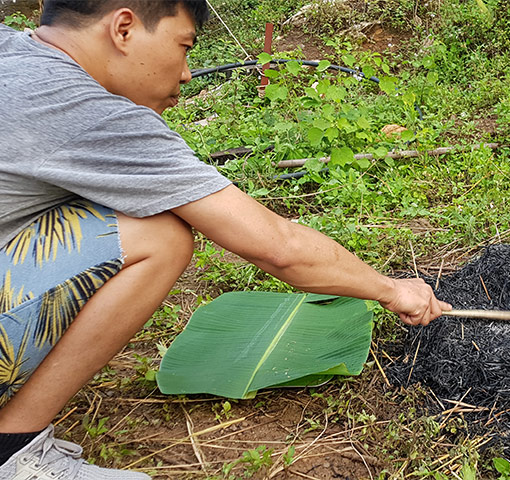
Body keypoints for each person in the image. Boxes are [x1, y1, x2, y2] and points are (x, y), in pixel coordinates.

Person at [0, 1, 451, 478]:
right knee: (160, 234)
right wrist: (392, 289)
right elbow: (277, 246)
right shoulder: (86, 111)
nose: (189, 72)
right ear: (124, 28)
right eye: (184, 46)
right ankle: (14, 446)